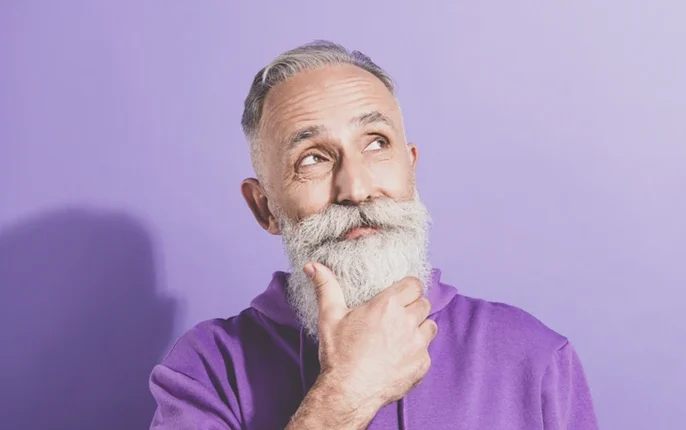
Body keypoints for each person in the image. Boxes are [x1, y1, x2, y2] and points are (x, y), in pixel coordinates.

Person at [148, 40, 599, 430]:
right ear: (264, 207)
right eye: (312, 158)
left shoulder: (535, 357)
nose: (357, 188)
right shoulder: (206, 369)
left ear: (411, 168)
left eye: (377, 143)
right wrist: (347, 391)